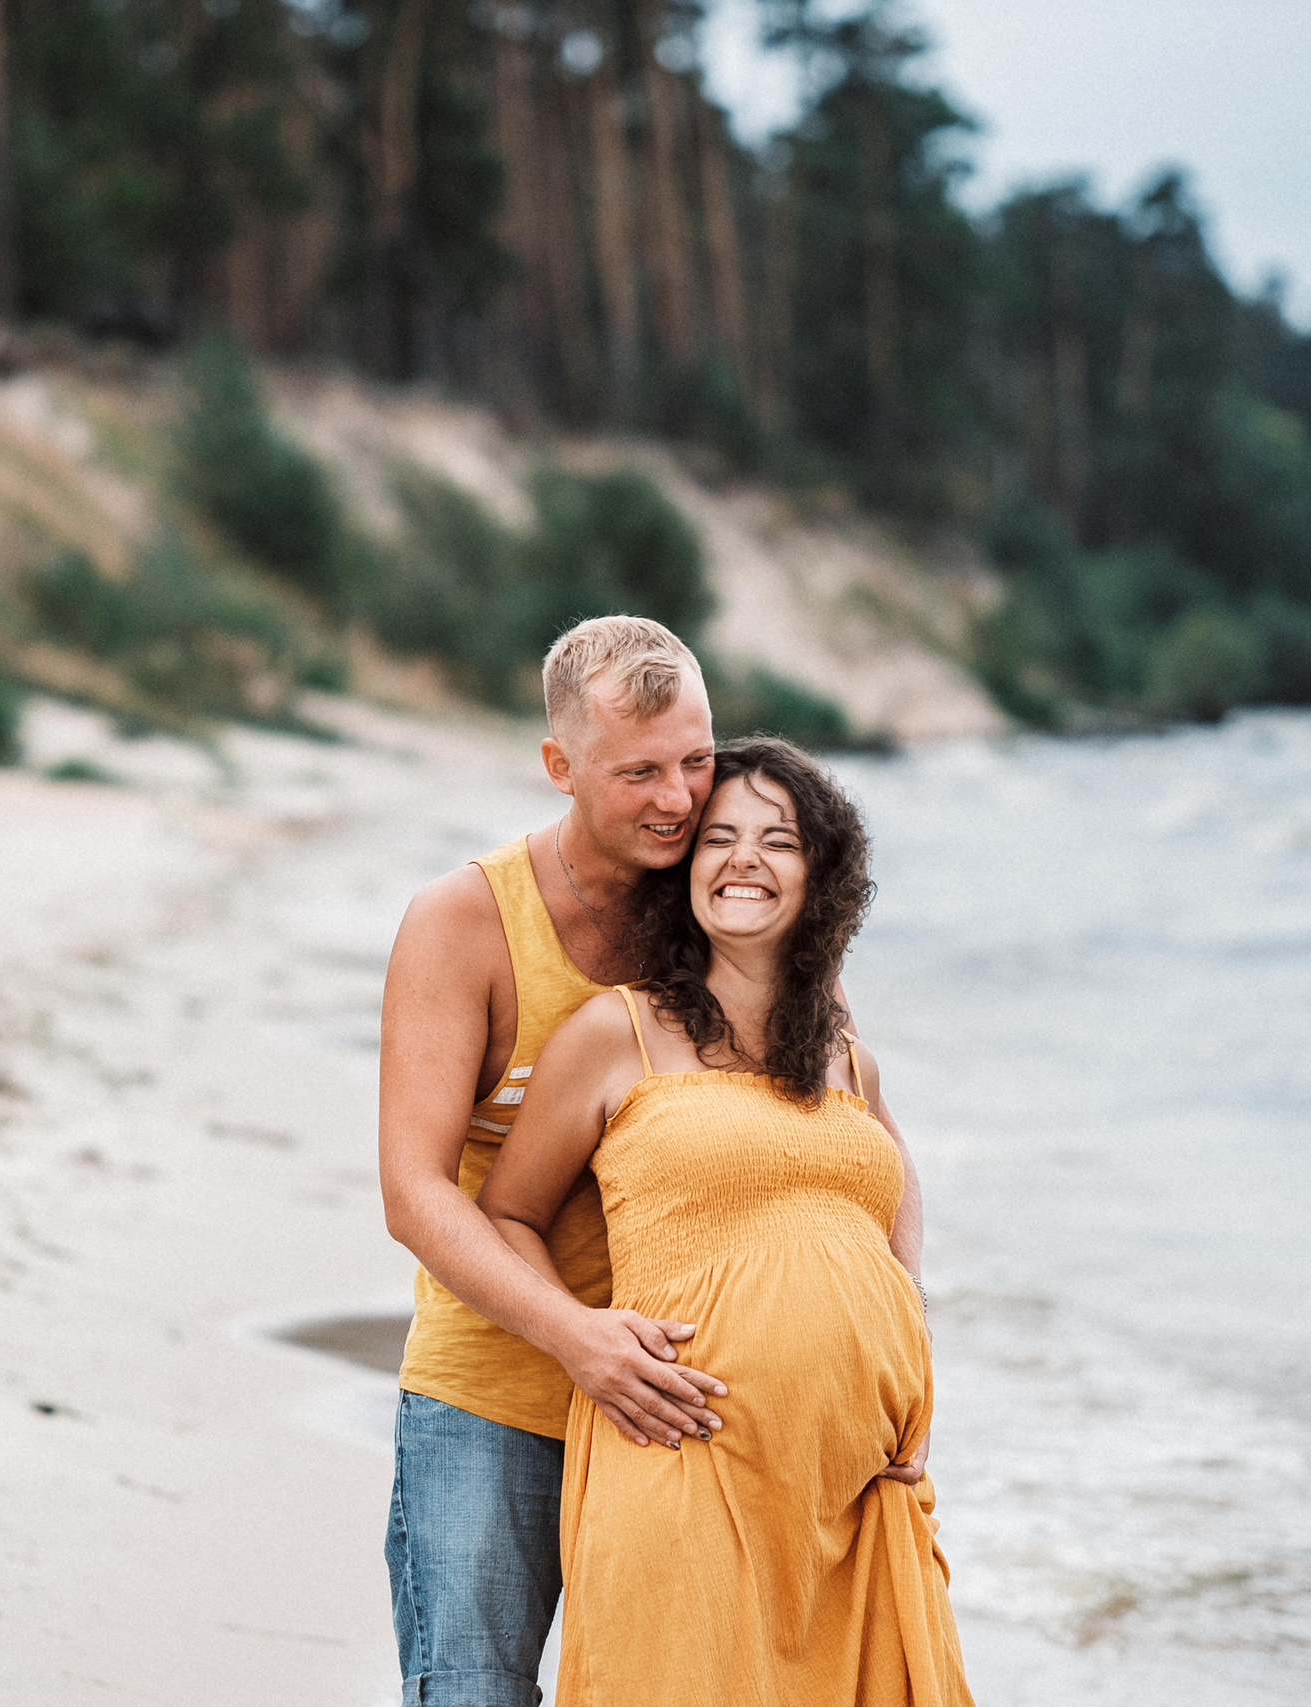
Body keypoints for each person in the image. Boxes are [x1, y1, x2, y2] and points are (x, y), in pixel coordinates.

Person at [477, 738, 970, 1705]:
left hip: (852, 1499)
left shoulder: (844, 1053)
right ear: (687, 867)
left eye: (778, 840)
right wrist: (583, 1339)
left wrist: (908, 1342)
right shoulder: (616, 1032)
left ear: (818, 875)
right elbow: (507, 1211)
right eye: (721, 837)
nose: (745, 858)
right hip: (680, 1465)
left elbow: (891, 1186)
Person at [377, 616, 733, 1707]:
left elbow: (858, 1128)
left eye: (697, 760)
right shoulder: (464, 922)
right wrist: (578, 1339)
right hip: (493, 1403)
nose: (679, 798)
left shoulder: (730, 906)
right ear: (559, 766)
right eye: (639, 772)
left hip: (685, 1401)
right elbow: (414, 1193)